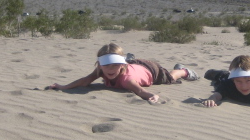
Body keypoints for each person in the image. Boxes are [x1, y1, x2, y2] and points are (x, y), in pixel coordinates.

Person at [49, 43, 198, 103]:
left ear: (121, 65)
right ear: (99, 65)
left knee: (170, 77)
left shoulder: (127, 80)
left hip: (152, 70)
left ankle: (183, 70)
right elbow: (85, 80)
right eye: (106, 65)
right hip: (134, 65)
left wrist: (152, 96)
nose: (110, 69)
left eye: (115, 65)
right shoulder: (101, 70)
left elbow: (140, 91)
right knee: (125, 66)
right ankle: (130, 60)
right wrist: (63, 87)